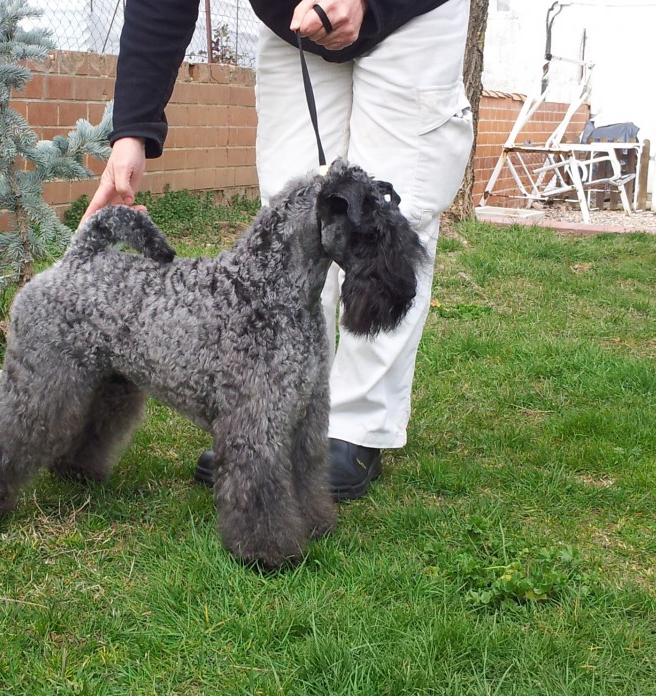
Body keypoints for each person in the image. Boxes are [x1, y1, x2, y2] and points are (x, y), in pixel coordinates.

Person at [82, 0, 474, 501]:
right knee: (290, 220)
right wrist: (132, 130)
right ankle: (272, 412)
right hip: (293, 26)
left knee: (395, 207)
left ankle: (357, 427)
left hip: (410, 19)